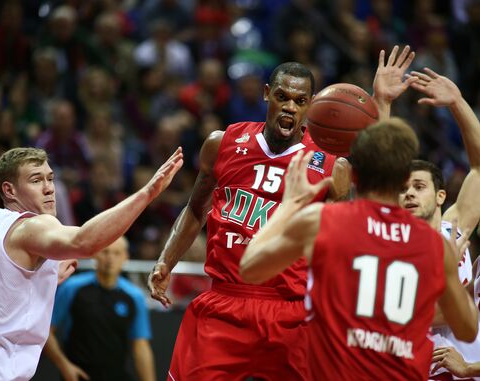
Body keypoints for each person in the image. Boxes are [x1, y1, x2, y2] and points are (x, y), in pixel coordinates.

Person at [148, 46, 416, 380]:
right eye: (282, 97)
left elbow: (376, 193)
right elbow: (194, 209)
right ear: (266, 95)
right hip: (225, 300)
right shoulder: (223, 143)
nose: (290, 107)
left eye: (300, 101)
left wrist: (382, 103)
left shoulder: (332, 164)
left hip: (292, 310)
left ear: (312, 105)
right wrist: (166, 260)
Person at [240, 118, 479, 381]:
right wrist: (451, 279)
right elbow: (467, 328)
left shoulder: (324, 220)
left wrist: (288, 207)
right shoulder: (435, 244)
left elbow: (250, 269)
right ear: (402, 177)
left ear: (354, 176)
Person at [0, 146, 182, 381]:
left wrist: (46, 277)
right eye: (36, 180)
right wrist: (148, 192)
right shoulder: (31, 224)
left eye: (50, 178)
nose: (49, 188)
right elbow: (85, 242)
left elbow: (4, 290)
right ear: (9, 191)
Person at [396, 68, 480, 380]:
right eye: (402, 189)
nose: (408, 194)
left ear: (441, 194)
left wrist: (457, 102)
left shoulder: (456, 227)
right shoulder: (387, 241)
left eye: (418, 187)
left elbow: (479, 167)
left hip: (467, 370)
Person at [44, 236, 155, 381]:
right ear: (95, 254)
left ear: (125, 257)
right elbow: (46, 331)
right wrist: (64, 365)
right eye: (105, 252)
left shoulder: (134, 297)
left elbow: (141, 346)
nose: (110, 259)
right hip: (78, 376)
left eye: (116, 253)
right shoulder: (72, 287)